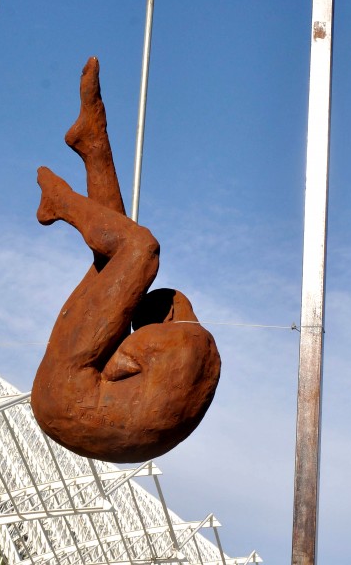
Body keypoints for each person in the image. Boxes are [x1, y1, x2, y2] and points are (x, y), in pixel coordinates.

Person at [32, 57, 221, 463]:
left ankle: (61, 203)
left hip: (70, 395)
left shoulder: (184, 343)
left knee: (140, 250)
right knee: (114, 262)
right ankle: (93, 144)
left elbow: (120, 363)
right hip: (66, 404)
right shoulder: (188, 355)